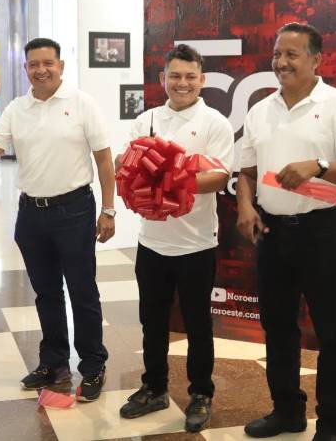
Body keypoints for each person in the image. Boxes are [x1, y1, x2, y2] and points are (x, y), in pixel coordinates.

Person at [236, 23, 336, 441]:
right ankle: (287, 411)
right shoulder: (260, 110)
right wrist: (245, 205)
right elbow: (247, 171)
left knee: (331, 331)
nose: (281, 62)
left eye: (291, 55)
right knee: (277, 327)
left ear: (316, 60)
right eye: (278, 54)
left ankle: (331, 421)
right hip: (273, 233)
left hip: (321, 231)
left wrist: (319, 166)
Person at [0, 37, 115, 403]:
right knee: (46, 293)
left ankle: (93, 365)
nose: (41, 70)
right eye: (33, 64)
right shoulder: (16, 109)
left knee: (82, 291)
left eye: (48, 63)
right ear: (26, 69)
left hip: (75, 210)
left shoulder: (81, 103)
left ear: (60, 66)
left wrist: (108, 209)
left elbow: (103, 158)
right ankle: (53, 363)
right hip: (31, 213)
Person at [116, 44, 234, 432]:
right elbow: (128, 167)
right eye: (175, 76)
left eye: (190, 76)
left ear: (202, 79)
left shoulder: (215, 122)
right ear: (162, 78)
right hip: (152, 242)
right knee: (151, 321)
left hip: (197, 243)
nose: (182, 83)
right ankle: (154, 387)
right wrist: (131, 173)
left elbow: (219, 176)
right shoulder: (146, 119)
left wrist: (170, 181)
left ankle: (201, 393)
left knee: (198, 324)